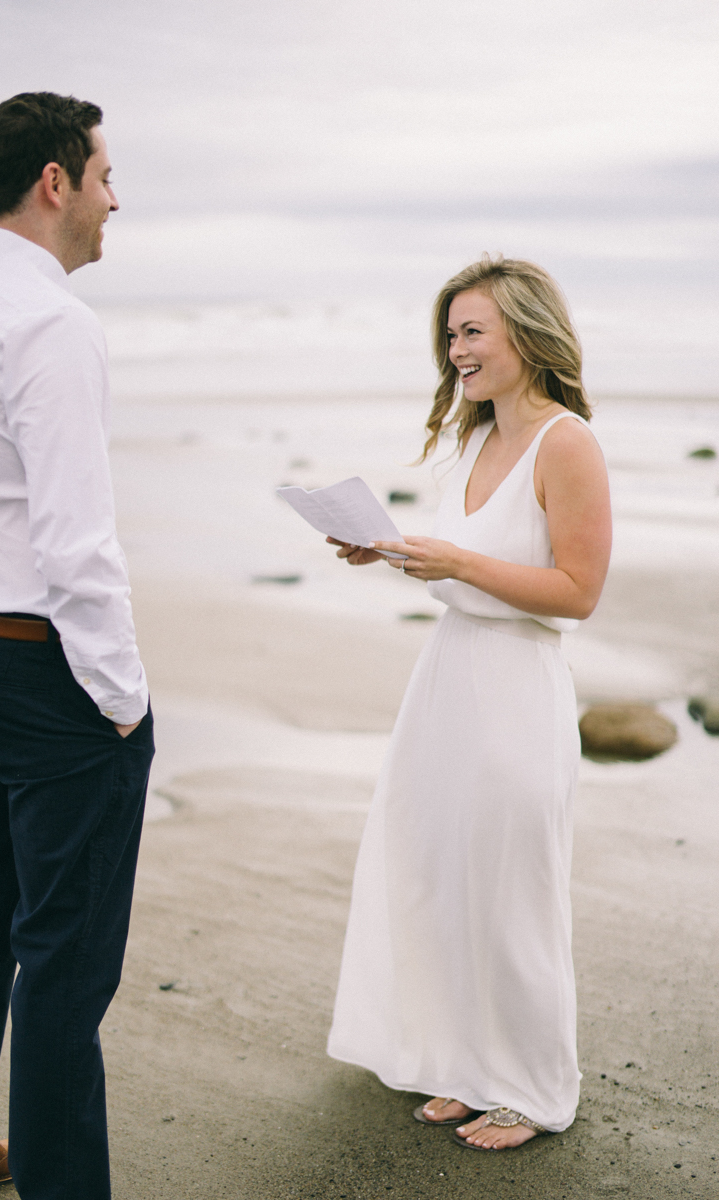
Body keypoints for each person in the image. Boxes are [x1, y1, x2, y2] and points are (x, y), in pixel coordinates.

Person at [0, 93, 154, 1199]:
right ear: (54, 183)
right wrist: (119, 696)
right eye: (106, 176)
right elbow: (74, 539)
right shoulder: (50, 322)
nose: (116, 200)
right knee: (62, 954)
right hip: (44, 663)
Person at [326, 256, 611, 1151]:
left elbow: (577, 590)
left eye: (473, 331)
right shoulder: (475, 439)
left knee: (511, 893)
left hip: (516, 687)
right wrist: (396, 553)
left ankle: (530, 1087)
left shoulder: (566, 442)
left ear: (526, 333)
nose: (457, 350)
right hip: (445, 681)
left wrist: (456, 563)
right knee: (441, 875)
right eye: (450, 334)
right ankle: (463, 1064)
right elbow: (467, 564)